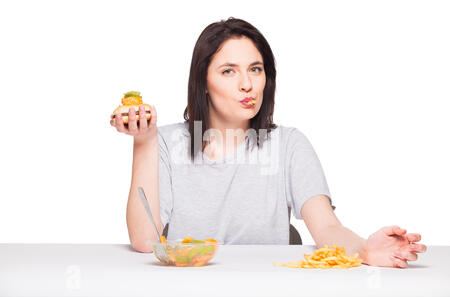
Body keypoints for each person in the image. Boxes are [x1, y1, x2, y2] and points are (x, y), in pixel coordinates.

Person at [110, 17, 426, 268]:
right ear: (203, 82)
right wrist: (144, 141)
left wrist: (364, 249)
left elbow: (326, 229)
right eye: (228, 71)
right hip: (187, 291)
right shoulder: (165, 142)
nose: (247, 84)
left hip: (269, 291)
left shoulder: (288, 144)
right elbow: (143, 239)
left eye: (255, 69)